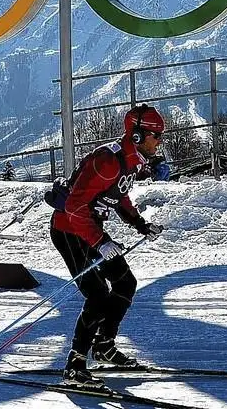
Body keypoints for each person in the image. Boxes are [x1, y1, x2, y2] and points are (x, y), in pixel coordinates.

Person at [52, 103, 169, 385]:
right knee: (97, 295)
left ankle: (103, 347)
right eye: (157, 136)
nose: (160, 142)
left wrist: (141, 224)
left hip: (91, 231)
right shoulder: (107, 162)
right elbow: (74, 207)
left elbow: (119, 196)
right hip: (70, 230)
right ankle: (75, 365)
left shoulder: (130, 161)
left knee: (125, 283)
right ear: (139, 136)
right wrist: (101, 241)